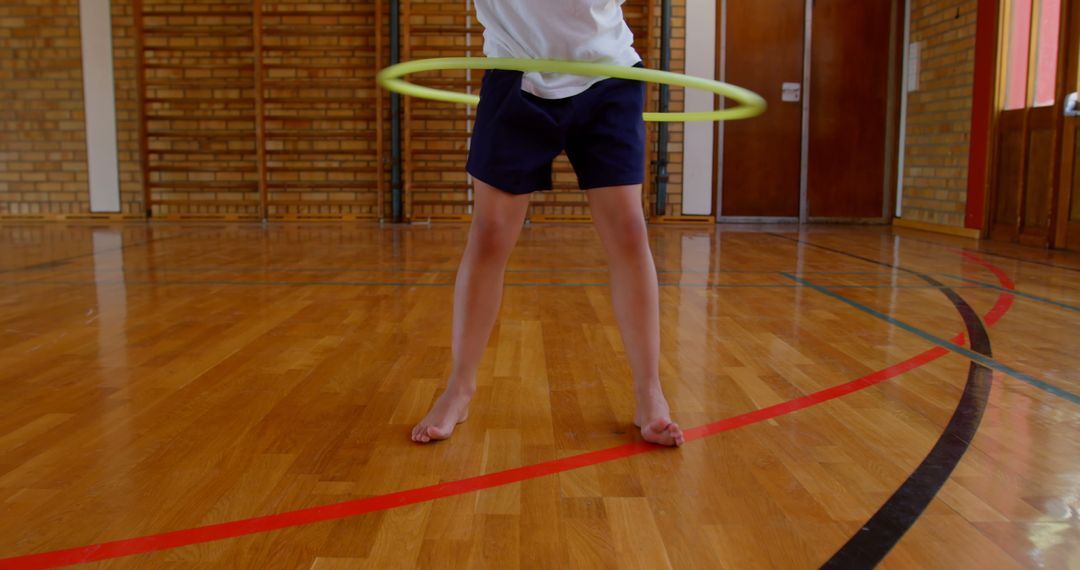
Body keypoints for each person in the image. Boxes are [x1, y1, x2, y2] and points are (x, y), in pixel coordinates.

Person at [411, 0, 684, 447]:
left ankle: (649, 392)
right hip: (516, 72)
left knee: (630, 231)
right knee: (491, 233)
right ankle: (459, 388)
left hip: (609, 75)